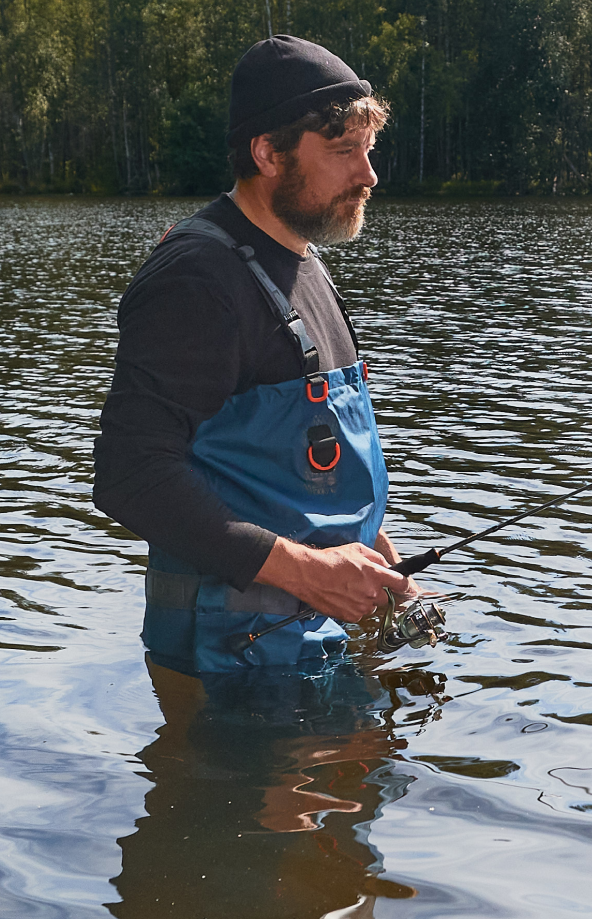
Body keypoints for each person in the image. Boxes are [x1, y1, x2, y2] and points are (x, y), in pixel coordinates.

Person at [93, 35, 415, 673]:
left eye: (369, 149)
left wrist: (372, 551)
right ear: (268, 153)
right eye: (344, 150)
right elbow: (129, 474)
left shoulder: (301, 258)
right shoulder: (196, 279)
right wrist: (309, 572)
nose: (368, 174)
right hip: (226, 666)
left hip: (308, 645)